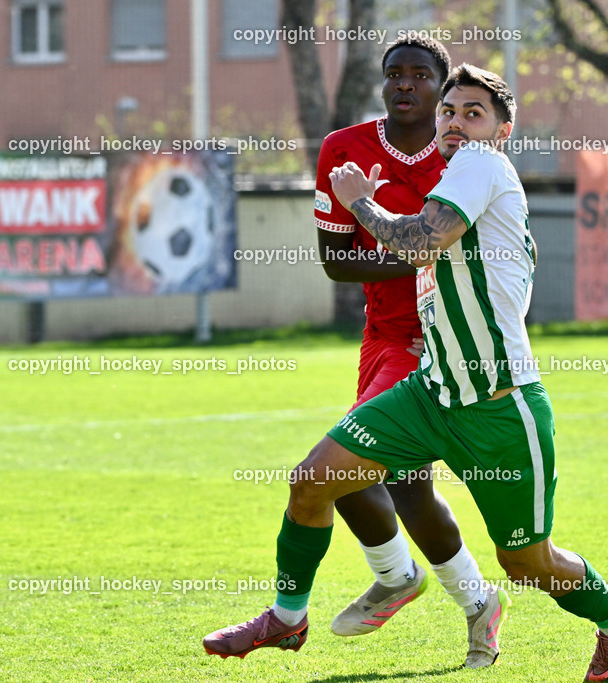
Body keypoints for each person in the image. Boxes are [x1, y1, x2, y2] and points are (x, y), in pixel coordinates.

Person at [204, 64, 608, 680]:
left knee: (527, 562)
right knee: (312, 481)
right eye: (448, 111)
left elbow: (417, 245)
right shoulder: (461, 179)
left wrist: (360, 197)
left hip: (498, 405)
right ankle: (288, 617)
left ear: (503, 130)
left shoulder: (482, 166)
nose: (455, 122)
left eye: (474, 113)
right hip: (431, 392)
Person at [203, 38, 500, 668]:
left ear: (445, 91)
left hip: (439, 337)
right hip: (383, 336)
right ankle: (461, 595)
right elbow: (337, 262)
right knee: (400, 482)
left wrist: (421, 248)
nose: (406, 85)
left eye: (422, 76)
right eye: (395, 74)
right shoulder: (344, 150)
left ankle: (335, 601)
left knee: (337, 472)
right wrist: (418, 248)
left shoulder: (469, 158)